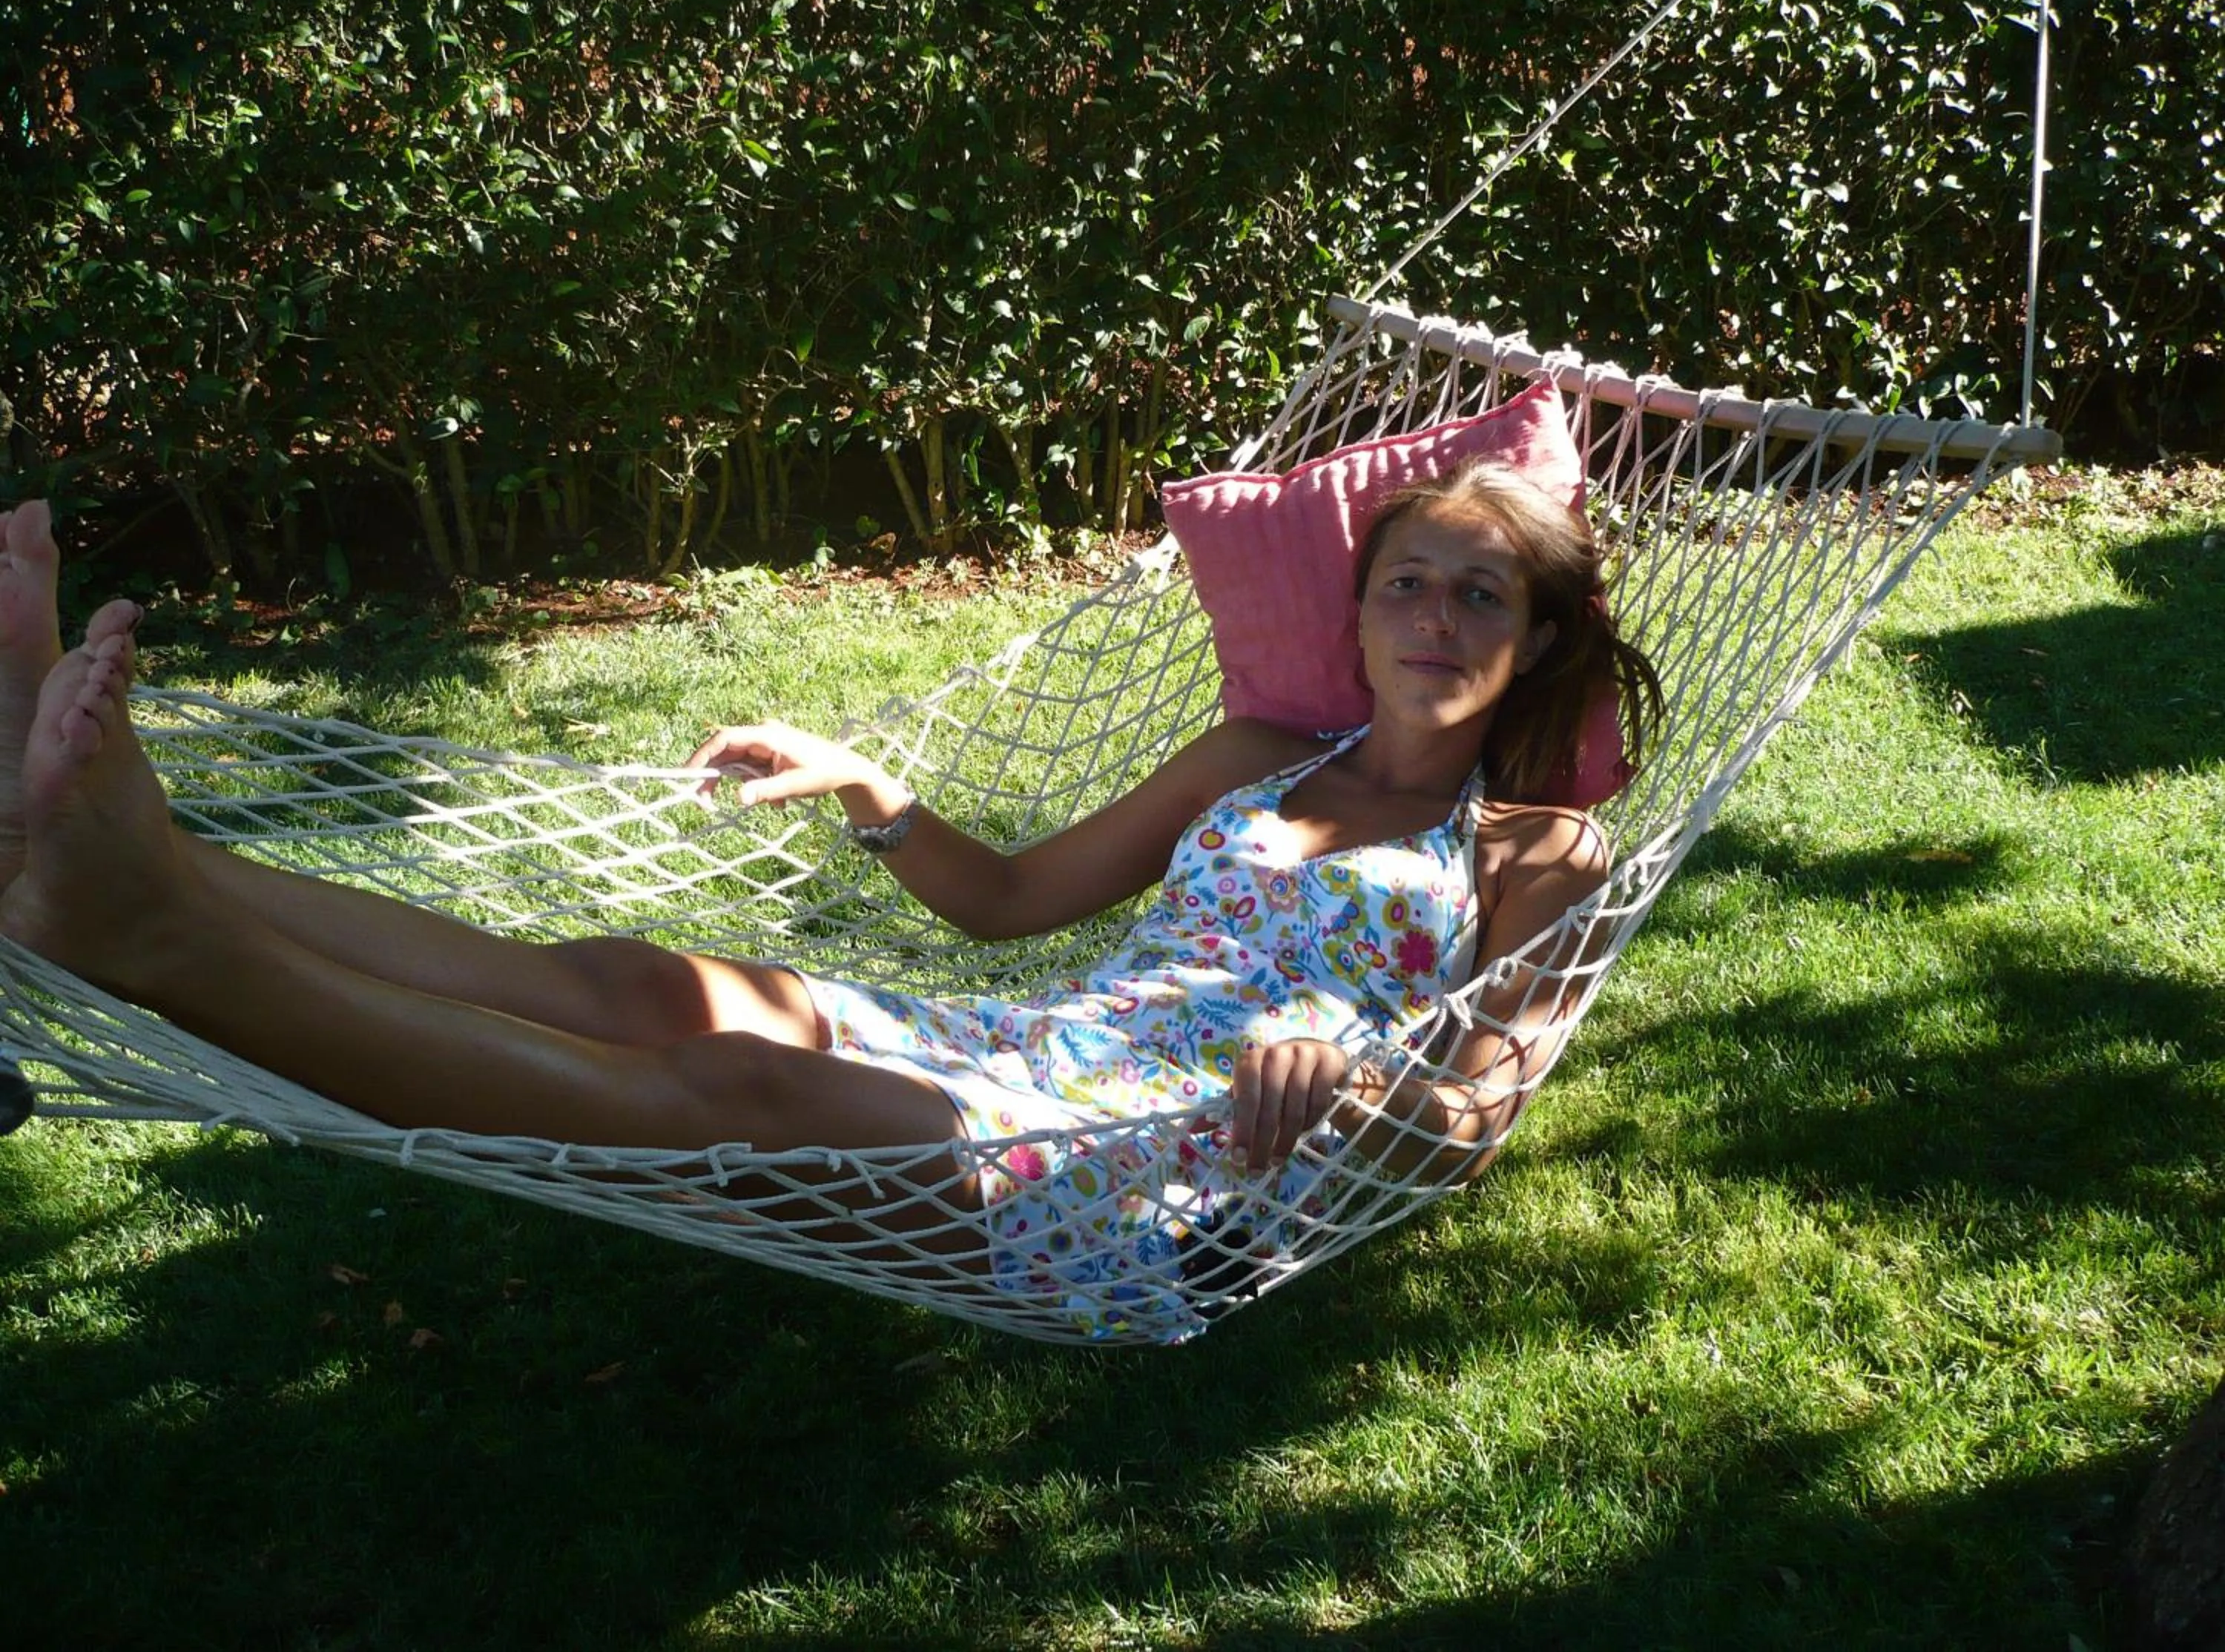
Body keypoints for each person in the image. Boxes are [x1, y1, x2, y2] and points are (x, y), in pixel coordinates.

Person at [0, 463, 1659, 1338]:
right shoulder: (1254, 752)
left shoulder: (1532, 854)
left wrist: (1364, 1083)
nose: (1432, 618)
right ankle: (140, 854)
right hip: (1034, 1050)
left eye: (1479, 593)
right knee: (644, 983)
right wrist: (875, 793)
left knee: (746, 1092)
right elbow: (1009, 902)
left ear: (1542, 640)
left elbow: (1478, 1116)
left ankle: (150, 930)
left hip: (1164, 1181)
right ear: (1358, 616)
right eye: (1403, 585)